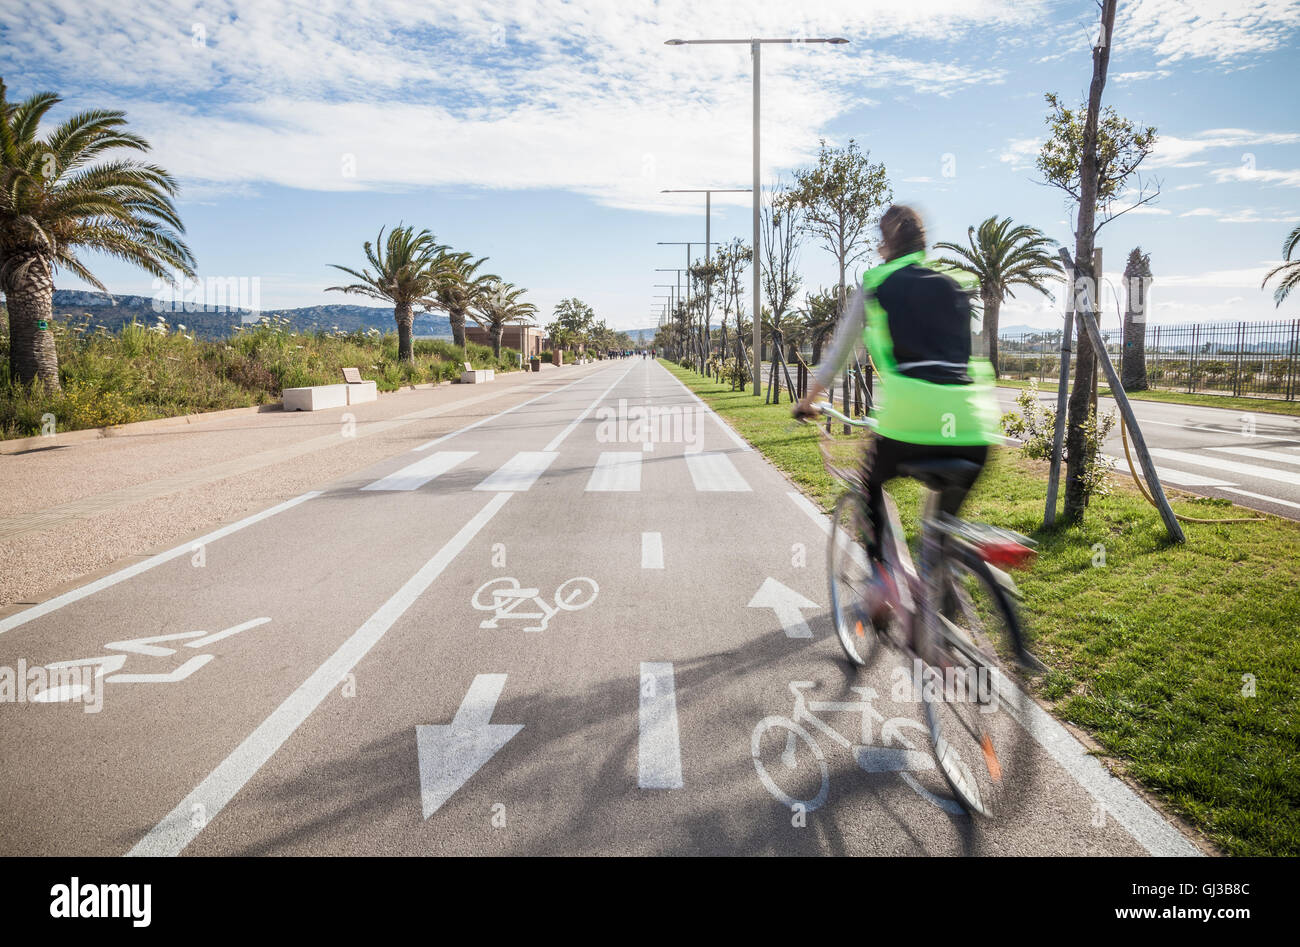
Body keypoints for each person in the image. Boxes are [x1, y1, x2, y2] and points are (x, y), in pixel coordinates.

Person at [794, 204, 1002, 624]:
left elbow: (837, 357)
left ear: (885, 245)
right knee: (940, 531)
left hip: (910, 422)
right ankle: (940, 613)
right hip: (976, 427)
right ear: (924, 244)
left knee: (869, 482)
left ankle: (884, 581)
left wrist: (807, 401)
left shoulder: (876, 284)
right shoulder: (957, 283)